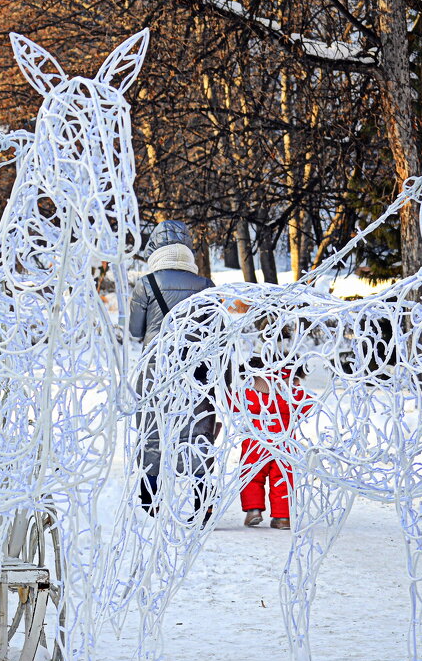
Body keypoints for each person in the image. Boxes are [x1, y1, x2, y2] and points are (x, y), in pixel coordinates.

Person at [129, 220, 217, 520]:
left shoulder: (146, 283)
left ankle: (150, 500)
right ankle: (201, 499)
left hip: (155, 370)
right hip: (195, 369)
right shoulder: (205, 285)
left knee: (152, 430)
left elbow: (134, 330)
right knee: (197, 434)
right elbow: (214, 330)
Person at [233, 357, 311, 530]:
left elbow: (233, 404)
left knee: (252, 476)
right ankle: (282, 517)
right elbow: (308, 405)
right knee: (283, 478)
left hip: (256, 442)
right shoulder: (292, 390)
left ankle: (253, 510)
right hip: (284, 442)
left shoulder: (249, 390)